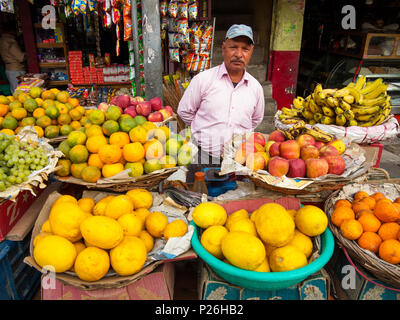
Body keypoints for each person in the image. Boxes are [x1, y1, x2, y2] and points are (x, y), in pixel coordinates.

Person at [177, 24, 265, 182]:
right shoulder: (203, 80)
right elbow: (185, 111)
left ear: (251, 51)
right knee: (199, 203)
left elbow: (255, 120)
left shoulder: (255, 88)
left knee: (235, 204)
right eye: (233, 47)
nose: (239, 54)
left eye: (245, 49)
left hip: (239, 163)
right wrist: (205, 132)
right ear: (224, 48)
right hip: (203, 158)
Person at [0, 25, 26, 93]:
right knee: (20, 92)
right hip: (16, 69)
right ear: (12, 31)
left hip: (9, 68)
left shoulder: (2, 39)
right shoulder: (10, 41)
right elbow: (21, 57)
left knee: (15, 91)